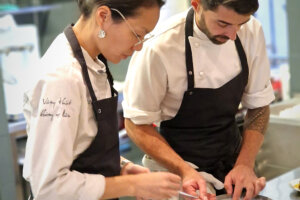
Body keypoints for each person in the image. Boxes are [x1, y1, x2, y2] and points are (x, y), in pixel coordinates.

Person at [22, 0, 183, 199]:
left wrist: (122, 166)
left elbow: (81, 148)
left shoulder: (93, 60)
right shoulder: (61, 78)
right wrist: (132, 185)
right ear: (103, 16)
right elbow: (49, 188)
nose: (139, 47)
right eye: (137, 34)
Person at [122, 0, 275, 200]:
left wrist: (245, 164)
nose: (233, 34)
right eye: (222, 24)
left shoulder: (252, 31)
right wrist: (184, 171)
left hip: (231, 164)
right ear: (196, 5)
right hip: (175, 169)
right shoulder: (160, 47)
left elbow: (259, 106)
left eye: (241, 24)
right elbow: (135, 124)